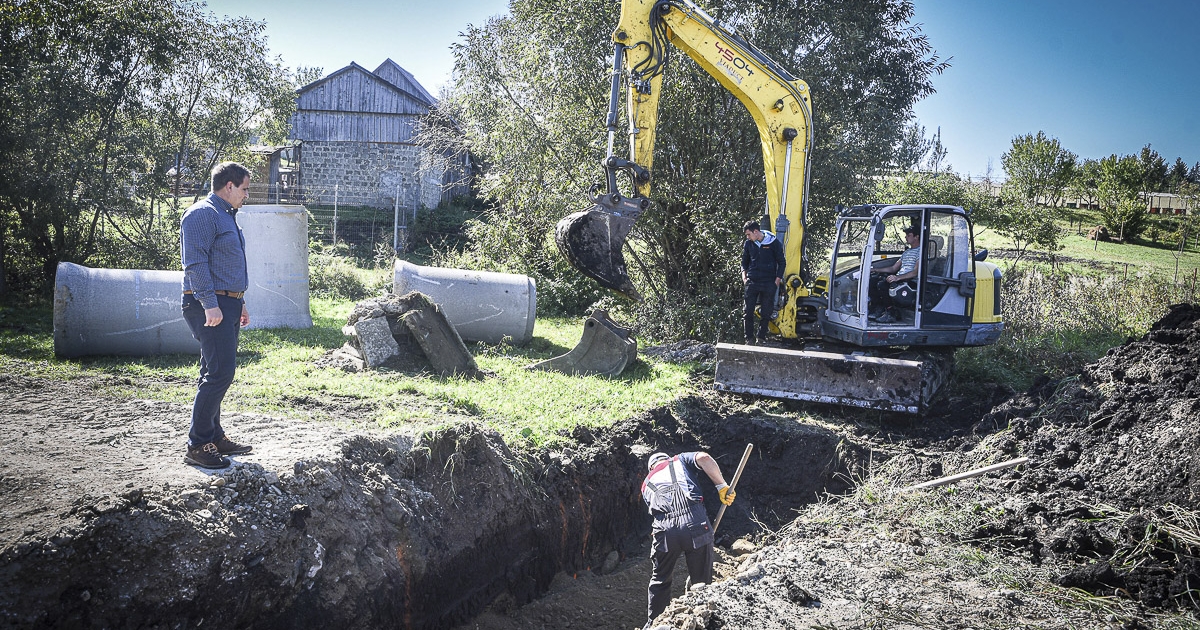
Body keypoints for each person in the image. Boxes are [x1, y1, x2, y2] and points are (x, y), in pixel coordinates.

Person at [179, 161, 254, 469]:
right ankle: (198, 444)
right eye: (245, 189)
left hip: (228, 303)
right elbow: (194, 263)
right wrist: (210, 303)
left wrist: (241, 301)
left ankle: (215, 435)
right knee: (220, 372)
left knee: (212, 370)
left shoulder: (226, 217)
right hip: (208, 305)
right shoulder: (201, 215)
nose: (247, 195)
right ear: (229, 186)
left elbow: (227, 266)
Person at [641, 450, 735, 626]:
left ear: (651, 468)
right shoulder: (679, 460)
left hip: (664, 532)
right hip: (695, 524)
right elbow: (704, 458)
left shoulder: (646, 484)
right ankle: (701, 619)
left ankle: (654, 624)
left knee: (660, 580)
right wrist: (721, 485)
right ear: (666, 459)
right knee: (701, 582)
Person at [740, 220, 785, 345]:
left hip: (768, 282)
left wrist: (776, 281)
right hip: (752, 281)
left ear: (756, 232)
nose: (747, 237)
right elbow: (744, 262)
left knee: (766, 313)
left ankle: (761, 338)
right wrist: (745, 278)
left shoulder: (774, 243)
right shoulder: (748, 244)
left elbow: (782, 262)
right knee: (748, 311)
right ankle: (748, 339)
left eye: (749, 234)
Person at [869, 224, 922, 323]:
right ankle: (879, 308)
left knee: (882, 285)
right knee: (873, 280)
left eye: (908, 235)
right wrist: (875, 270)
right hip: (901, 277)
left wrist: (898, 278)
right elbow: (893, 268)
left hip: (910, 280)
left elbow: (915, 272)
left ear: (916, 237)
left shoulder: (921, 252)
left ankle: (891, 313)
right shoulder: (907, 252)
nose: (906, 237)